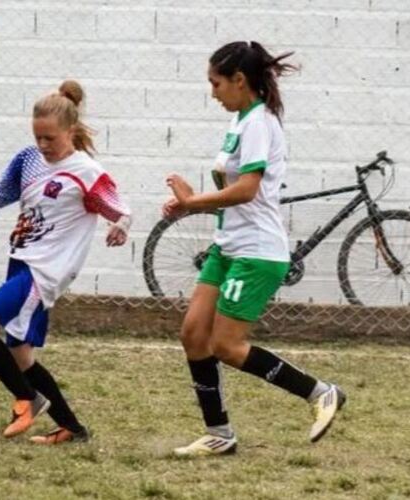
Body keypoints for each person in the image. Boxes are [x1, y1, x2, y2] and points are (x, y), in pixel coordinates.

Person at [0, 80, 131, 444]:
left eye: (50, 138)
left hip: (43, 272)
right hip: (20, 262)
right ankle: (72, 428)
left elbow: (120, 210)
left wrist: (120, 226)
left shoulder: (85, 172)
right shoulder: (29, 159)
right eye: (38, 137)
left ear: (70, 131)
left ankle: (28, 400)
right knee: (20, 354)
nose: (43, 145)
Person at [163, 41, 345, 456]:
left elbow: (247, 191)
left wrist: (193, 203)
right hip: (227, 247)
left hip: (256, 252)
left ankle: (320, 392)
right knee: (193, 334)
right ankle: (220, 434)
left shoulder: (260, 122)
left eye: (216, 83)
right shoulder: (241, 121)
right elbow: (236, 193)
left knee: (226, 345)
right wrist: (190, 204)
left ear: (239, 81)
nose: (212, 92)